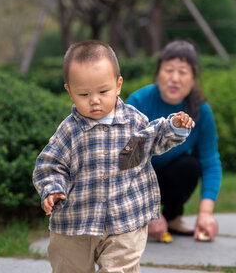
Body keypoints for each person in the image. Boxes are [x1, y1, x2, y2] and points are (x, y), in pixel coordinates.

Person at [32, 40, 195, 273]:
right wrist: (53, 188)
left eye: (103, 91)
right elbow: (50, 163)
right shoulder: (69, 131)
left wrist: (174, 127)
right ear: (69, 91)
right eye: (84, 93)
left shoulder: (133, 122)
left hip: (125, 219)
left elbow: (155, 138)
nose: (94, 100)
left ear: (118, 85)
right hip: (75, 222)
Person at [126, 40, 222, 243]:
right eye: (169, 70)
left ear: (193, 78)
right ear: (158, 73)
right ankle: (139, 217)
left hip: (168, 176)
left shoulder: (201, 112)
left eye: (183, 72)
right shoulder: (138, 102)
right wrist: (147, 210)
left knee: (189, 167)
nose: (175, 79)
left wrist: (206, 213)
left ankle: (171, 217)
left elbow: (210, 162)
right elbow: (126, 162)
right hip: (133, 179)